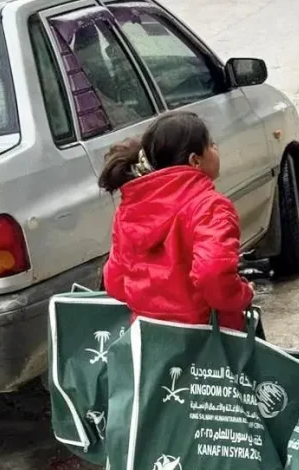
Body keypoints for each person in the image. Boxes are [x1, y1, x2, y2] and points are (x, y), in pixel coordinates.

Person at [100, 111, 254, 331]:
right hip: (208, 340)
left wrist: (154, 304)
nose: (216, 148)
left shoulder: (129, 210)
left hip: (150, 340)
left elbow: (115, 282)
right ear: (195, 161)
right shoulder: (209, 207)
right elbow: (213, 274)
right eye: (211, 144)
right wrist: (243, 295)